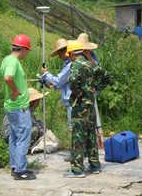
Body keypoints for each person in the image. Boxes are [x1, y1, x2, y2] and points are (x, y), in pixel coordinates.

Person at [66, 40, 111, 178]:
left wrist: (78, 93)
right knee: (91, 136)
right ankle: (95, 166)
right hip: (91, 106)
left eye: (69, 55)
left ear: (73, 53)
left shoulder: (75, 65)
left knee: (78, 137)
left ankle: (78, 169)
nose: (69, 57)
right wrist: (94, 90)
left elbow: (73, 80)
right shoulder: (91, 64)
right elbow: (106, 77)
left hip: (79, 107)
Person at [0, 34, 36, 180]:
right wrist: (15, 90)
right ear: (24, 49)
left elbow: (3, 75)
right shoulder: (13, 62)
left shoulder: (6, 59)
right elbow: (7, 77)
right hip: (19, 107)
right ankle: (21, 170)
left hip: (11, 106)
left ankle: (15, 166)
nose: (27, 54)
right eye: (28, 51)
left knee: (14, 137)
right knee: (23, 137)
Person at [77, 33, 104, 149]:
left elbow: (97, 68)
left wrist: (89, 56)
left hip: (91, 88)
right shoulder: (76, 55)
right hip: (81, 90)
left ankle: (99, 141)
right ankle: (85, 145)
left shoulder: (91, 54)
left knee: (95, 114)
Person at [41, 38, 72, 128]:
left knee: (74, 130)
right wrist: (50, 84)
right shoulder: (66, 64)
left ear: (64, 51)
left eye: (59, 53)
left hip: (73, 102)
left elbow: (58, 81)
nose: (59, 56)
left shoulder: (70, 65)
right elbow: (62, 82)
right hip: (70, 102)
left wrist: (46, 74)